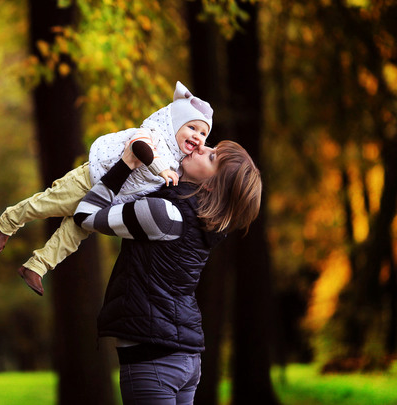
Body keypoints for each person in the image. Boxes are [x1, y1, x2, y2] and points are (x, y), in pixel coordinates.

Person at [73, 139, 262, 404]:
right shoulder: (199, 222)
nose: (201, 147)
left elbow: (86, 216)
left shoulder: (164, 214)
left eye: (211, 157)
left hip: (153, 360)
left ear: (210, 184)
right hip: (184, 356)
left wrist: (126, 164)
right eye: (211, 147)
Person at [0, 81, 214, 295]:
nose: (198, 136)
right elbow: (139, 147)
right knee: (46, 205)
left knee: (71, 236)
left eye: (203, 133)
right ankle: (7, 223)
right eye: (192, 127)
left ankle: (36, 267)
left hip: (107, 200)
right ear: (173, 123)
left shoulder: (179, 163)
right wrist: (160, 168)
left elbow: (197, 177)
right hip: (91, 179)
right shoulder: (154, 133)